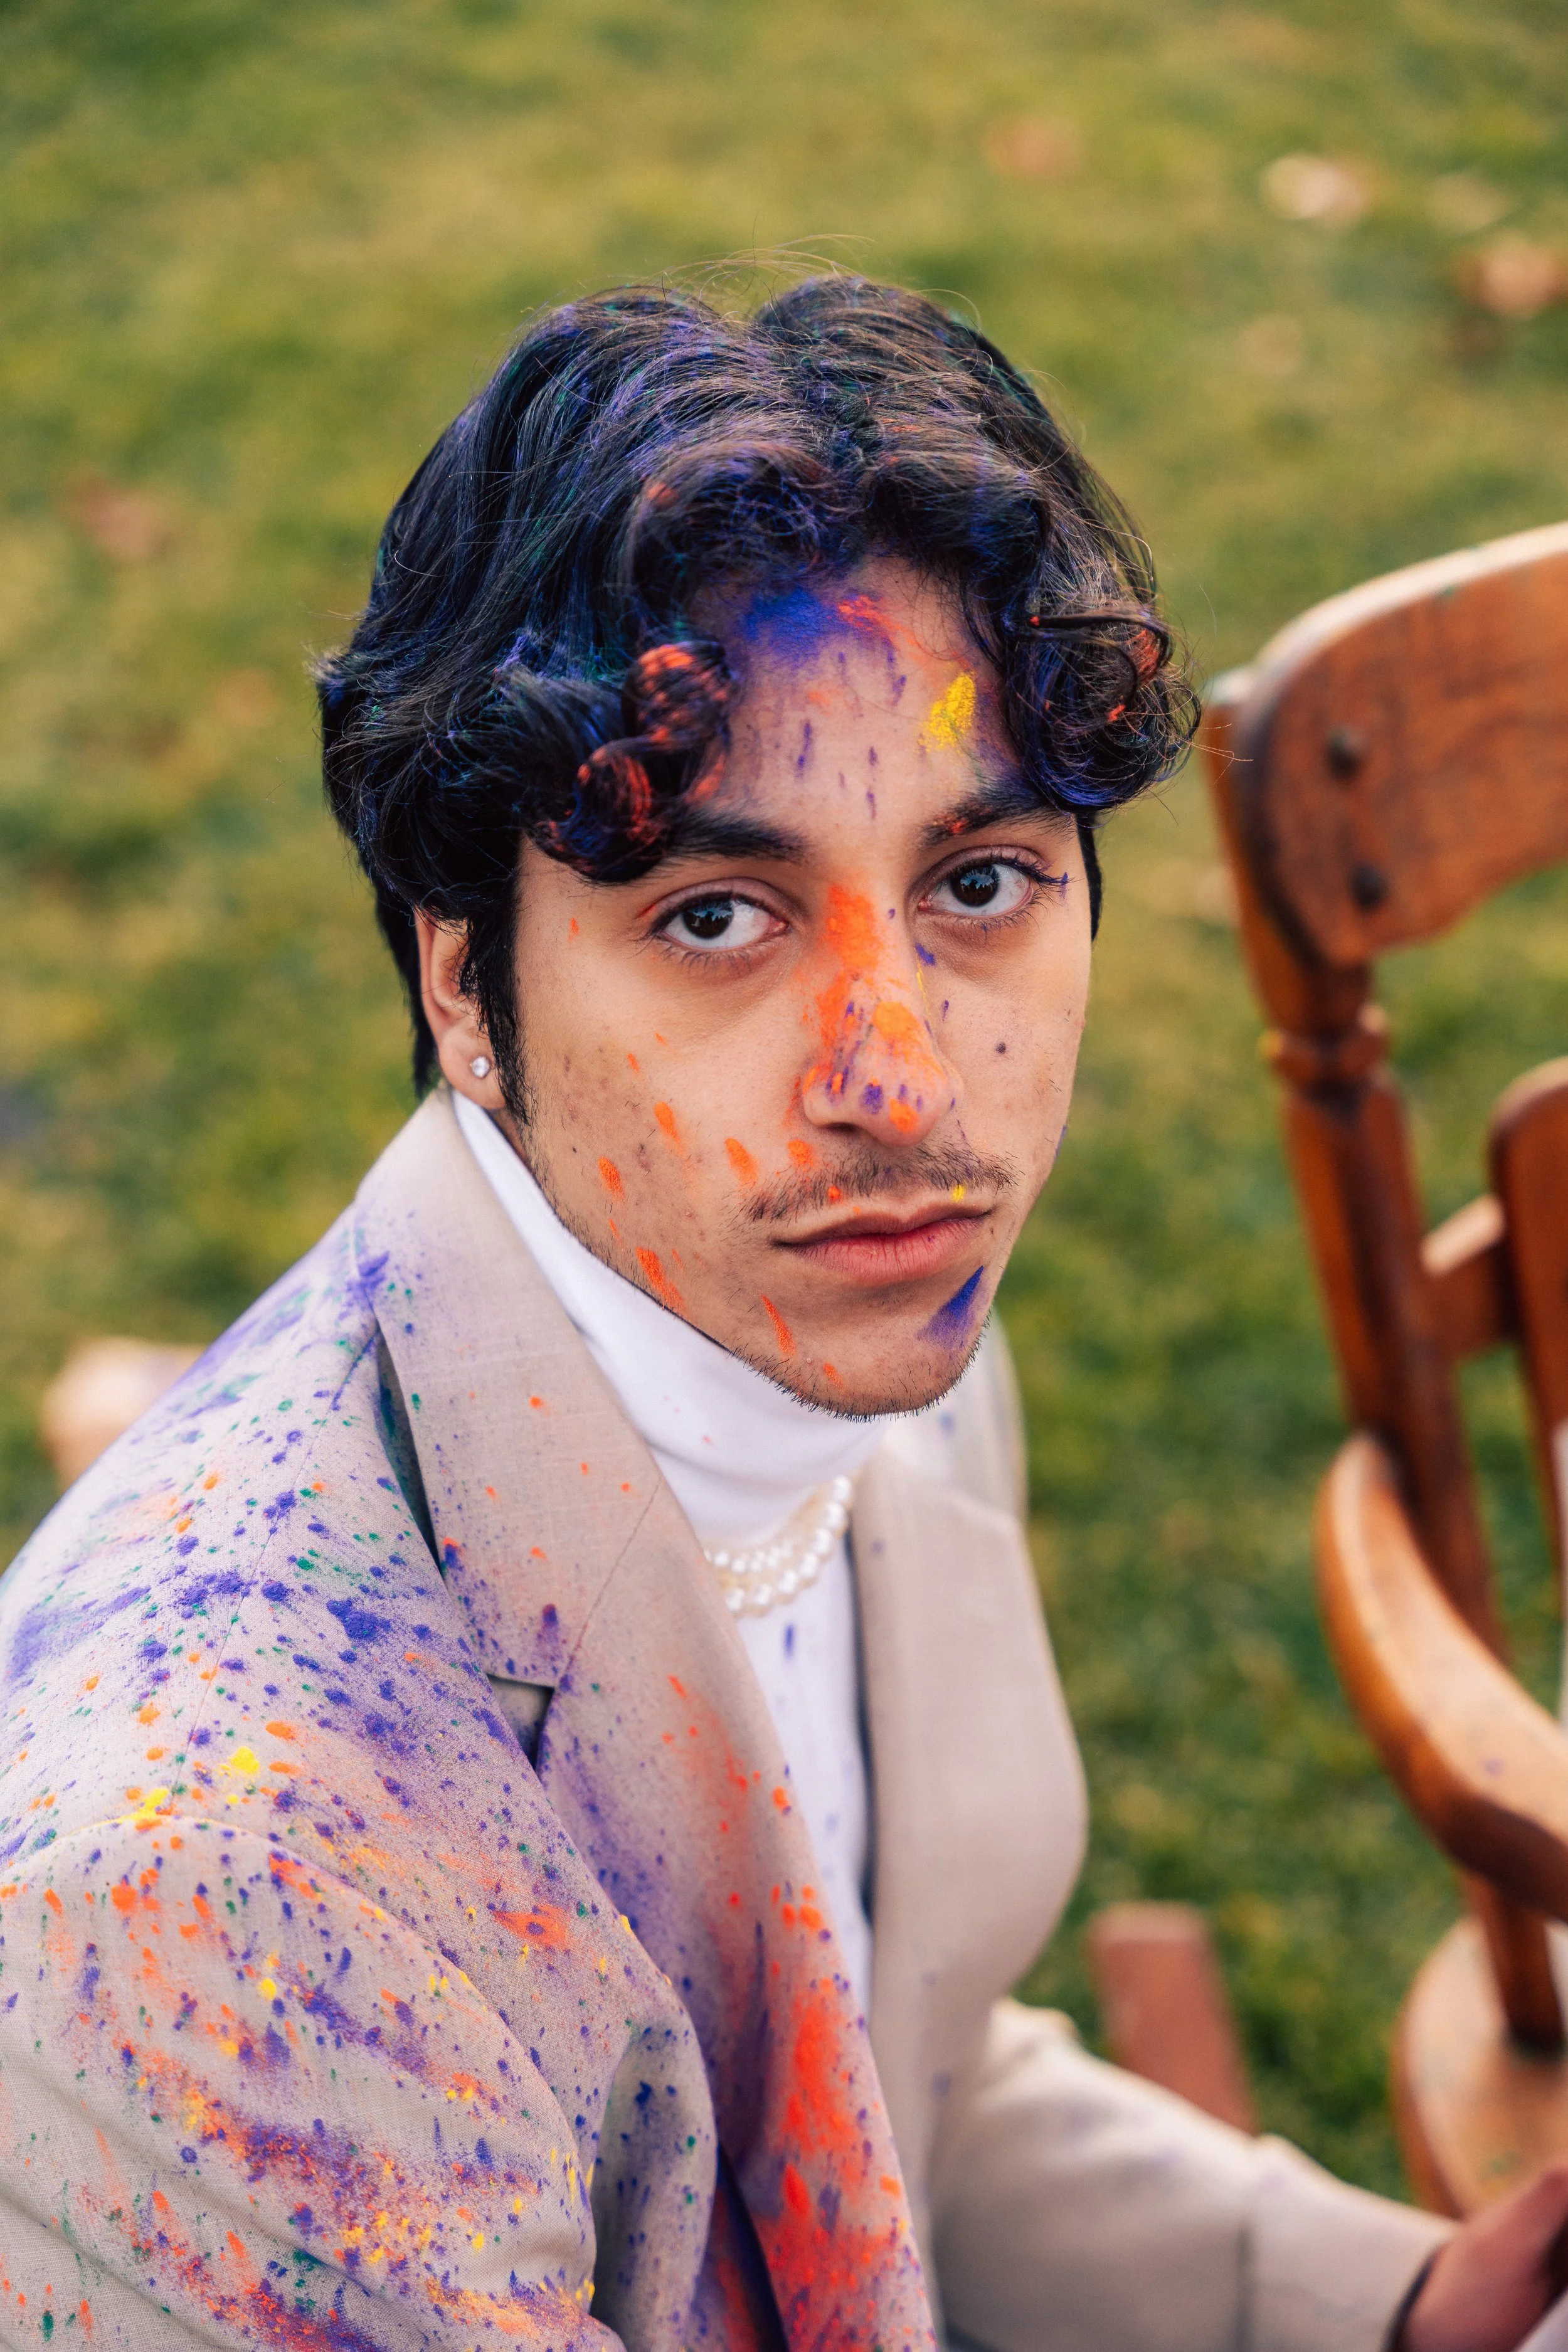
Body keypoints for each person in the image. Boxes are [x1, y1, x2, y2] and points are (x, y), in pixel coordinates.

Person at [0, 277, 1563, 2352]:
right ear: (460, 976)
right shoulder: (230, 1901)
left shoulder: (828, 1303)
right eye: (715, 916)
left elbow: (875, 2089)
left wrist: (1389, 2311)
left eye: (977, 883)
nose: (901, 1082)